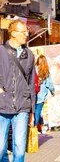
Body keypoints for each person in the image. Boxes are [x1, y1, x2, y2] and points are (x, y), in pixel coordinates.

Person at [0, 19, 36, 162]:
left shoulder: (29, 55)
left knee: (20, 147)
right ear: (13, 33)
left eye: (27, 31)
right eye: (23, 32)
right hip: (2, 105)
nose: (27, 34)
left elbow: (31, 82)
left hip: (22, 106)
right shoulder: (1, 51)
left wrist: (32, 111)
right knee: (1, 147)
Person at [34, 55, 55, 132]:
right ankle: (35, 129)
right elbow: (49, 84)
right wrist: (53, 92)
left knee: (35, 112)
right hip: (41, 95)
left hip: (33, 94)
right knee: (38, 112)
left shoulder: (33, 70)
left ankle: (40, 126)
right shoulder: (45, 71)